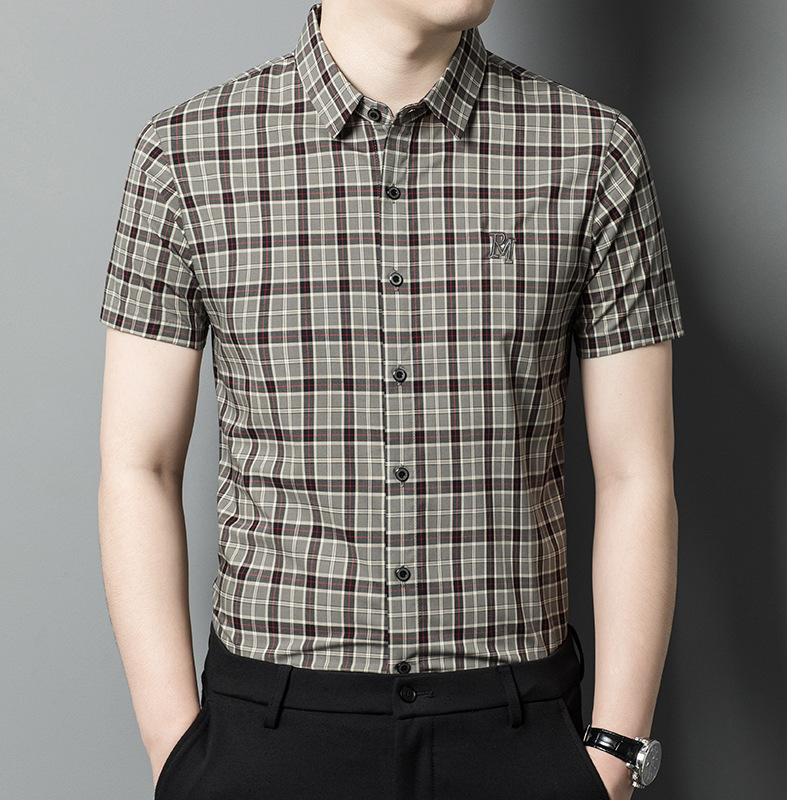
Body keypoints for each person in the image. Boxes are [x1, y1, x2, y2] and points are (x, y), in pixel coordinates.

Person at [97, 1, 684, 798]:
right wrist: (176, 748)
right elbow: (140, 463)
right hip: (269, 738)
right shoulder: (186, 156)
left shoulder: (592, 151)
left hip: (516, 731)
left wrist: (612, 754)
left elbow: (636, 472)